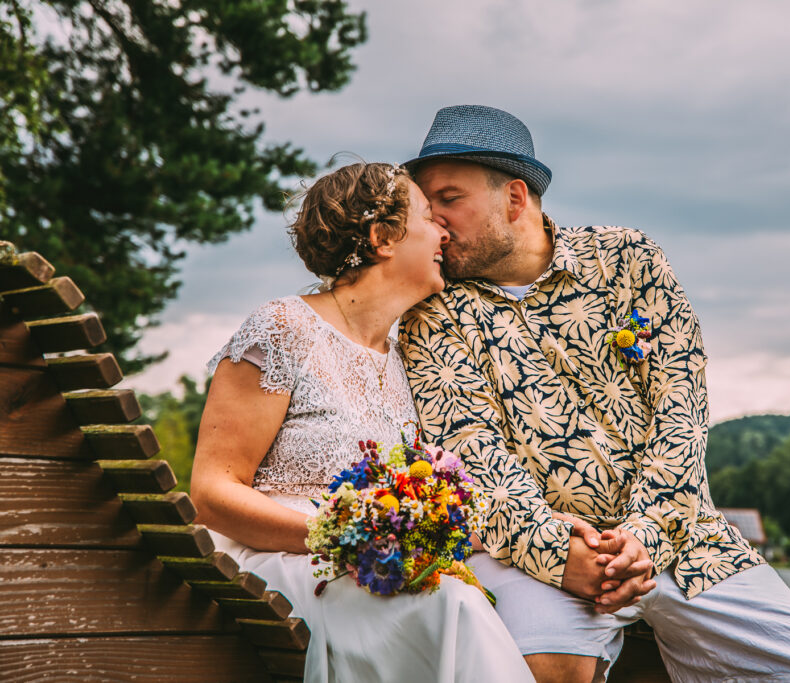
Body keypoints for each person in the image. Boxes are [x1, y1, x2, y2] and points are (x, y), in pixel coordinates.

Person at [399, 105, 790, 682]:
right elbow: (472, 452)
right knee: (542, 669)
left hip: (686, 542)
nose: (437, 223)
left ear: (515, 198)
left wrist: (644, 537)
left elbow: (681, 412)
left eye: (449, 198)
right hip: (539, 557)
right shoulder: (431, 311)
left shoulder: (628, 260)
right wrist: (558, 553)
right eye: (427, 206)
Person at [190, 161, 535, 683]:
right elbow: (211, 492)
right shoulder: (283, 327)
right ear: (382, 238)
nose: (443, 232)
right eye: (428, 216)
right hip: (279, 565)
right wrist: (344, 538)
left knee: (478, 593)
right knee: (451, 603)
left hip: (374, 568)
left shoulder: (404, 359)